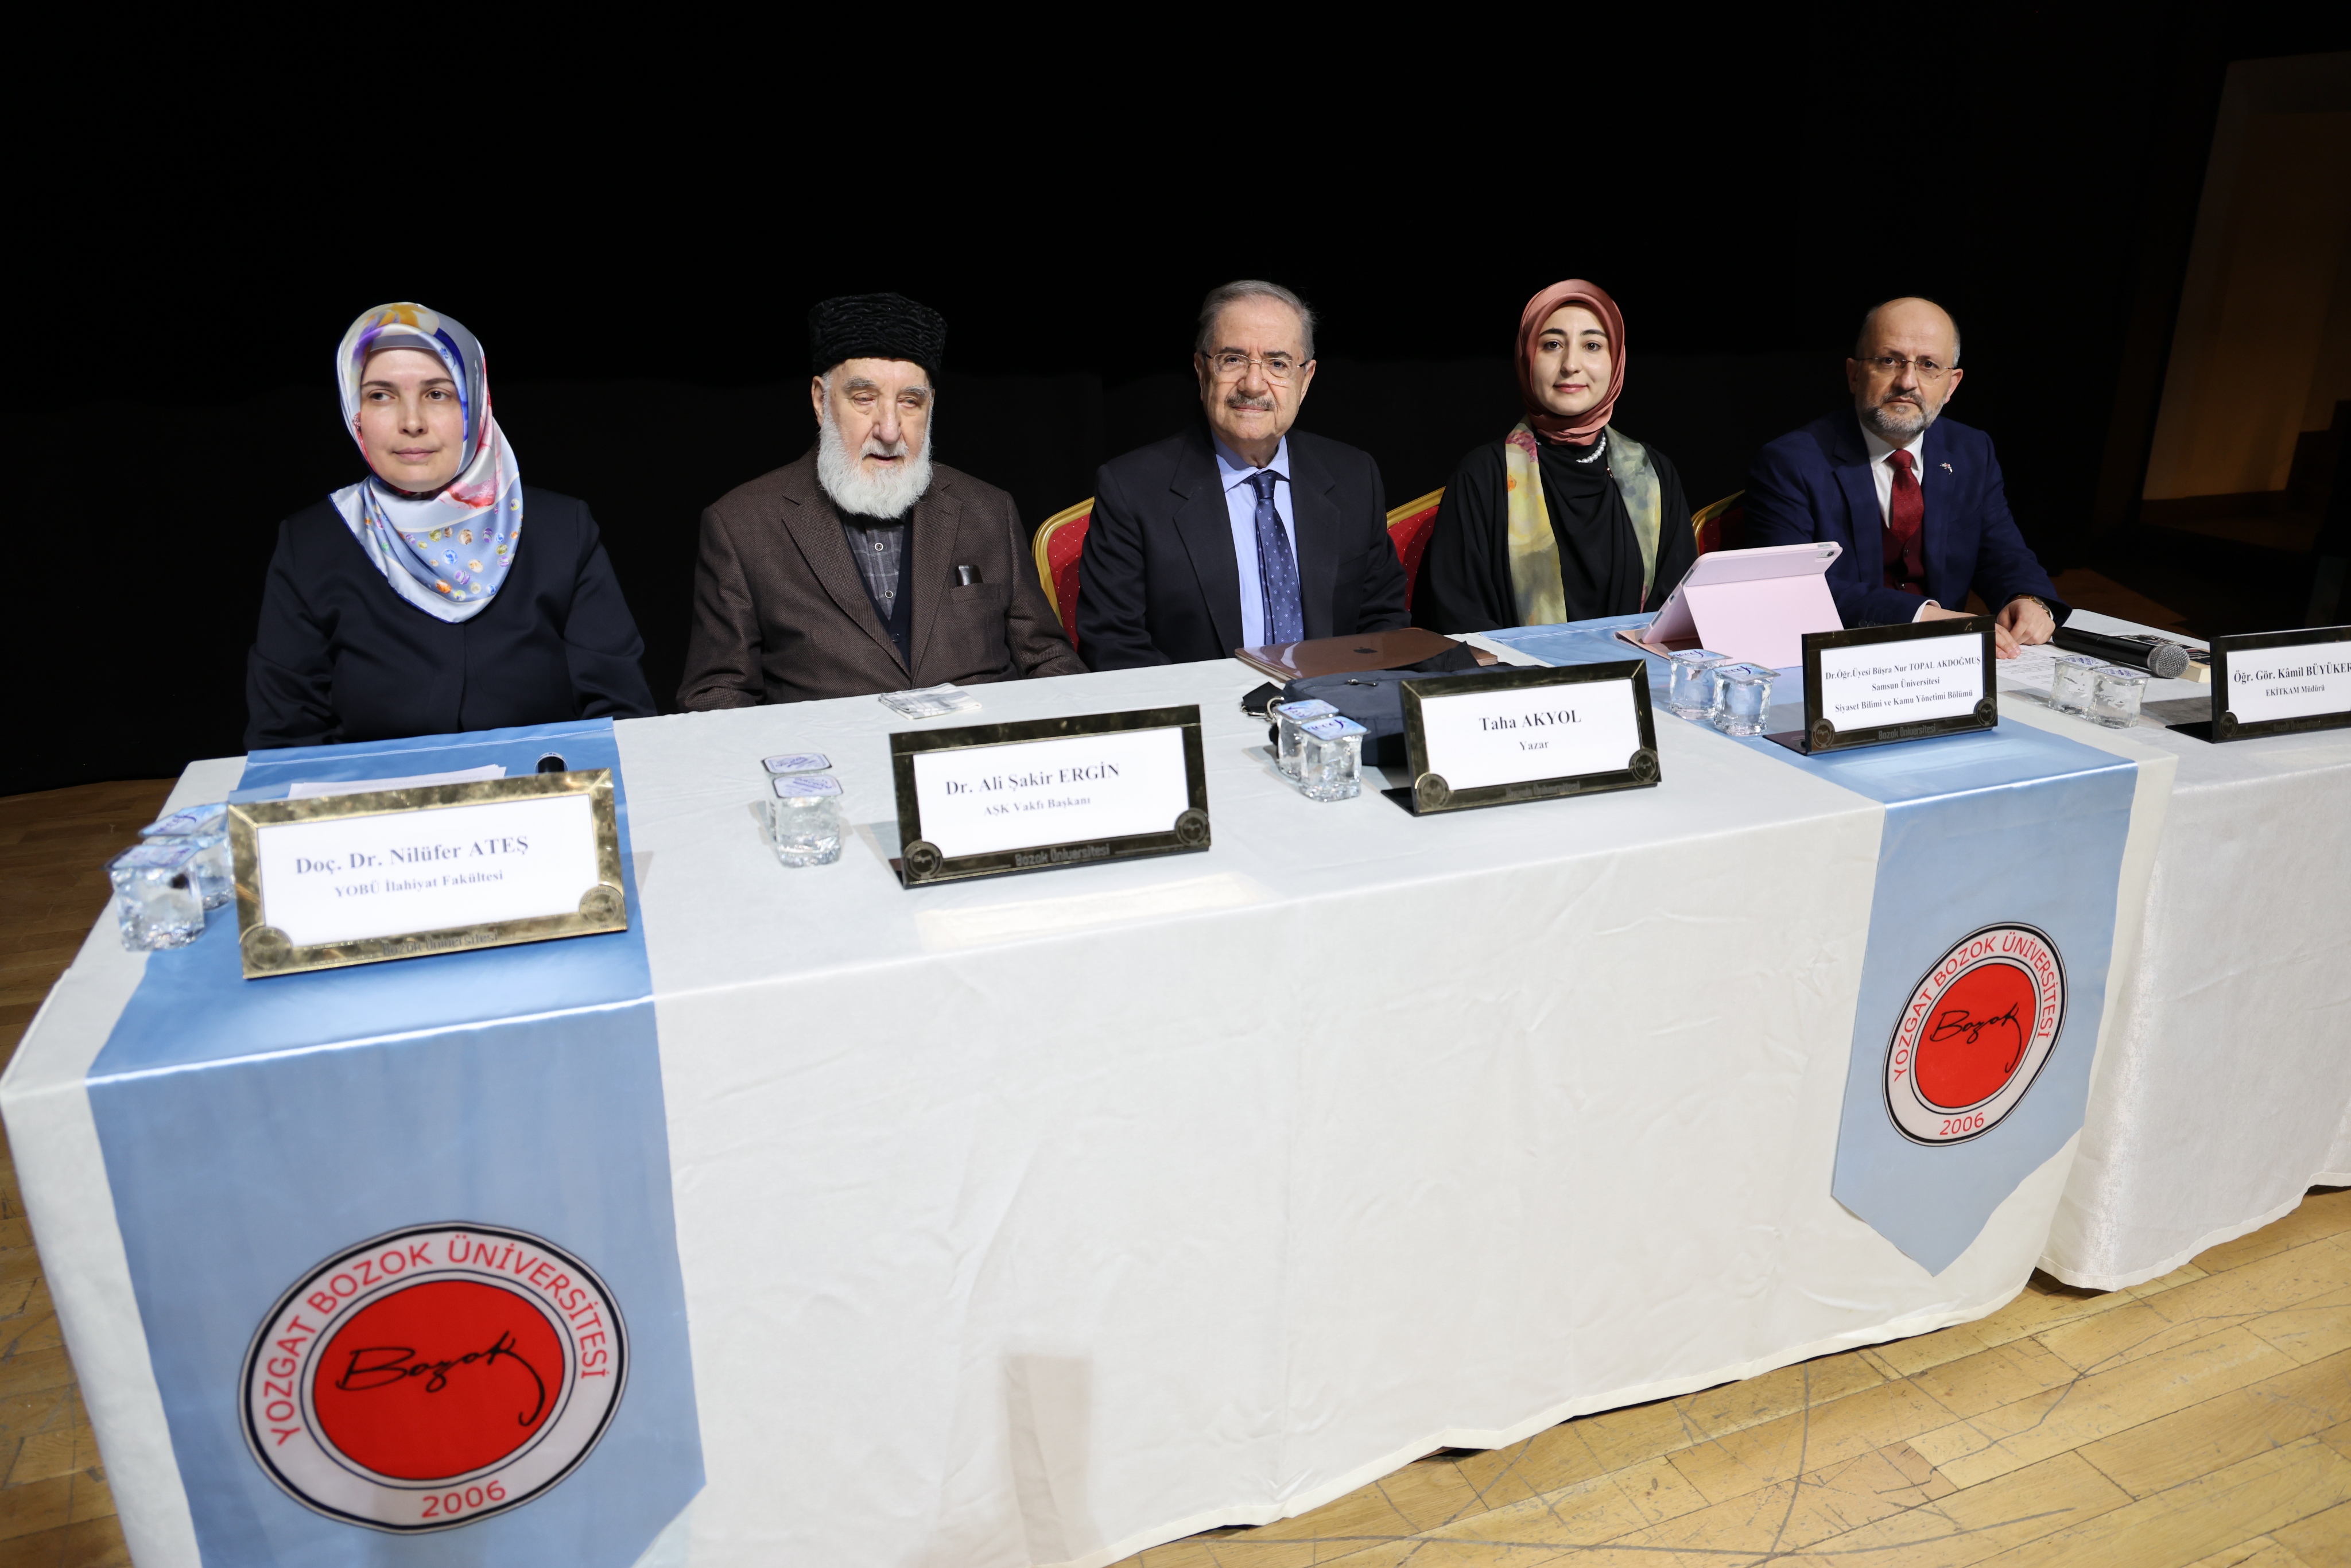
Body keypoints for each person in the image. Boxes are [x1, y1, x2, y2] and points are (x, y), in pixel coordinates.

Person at [246, 303, 655, 750]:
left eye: (437, 394)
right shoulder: (312, 544)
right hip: (375, 792)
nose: (412, 423)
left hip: (544, 787)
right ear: (355, 411)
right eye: (381, 395)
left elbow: (620, 717)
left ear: (475, 403)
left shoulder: (561, 531)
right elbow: (284, 740)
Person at [677, 293, 1083, 707]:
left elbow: (1048, 661)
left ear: (931, 405)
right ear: (821, 401)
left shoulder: (989, 510)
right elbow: (718, 696)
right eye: (864, 399)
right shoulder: (741, 525)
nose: (889, 431)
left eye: (910, 402)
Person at [1077, 280, 1409, 667]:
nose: (1253, 385)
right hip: (1203, 704)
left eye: (1277, 364)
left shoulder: (1354, 476)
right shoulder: (1132, 489)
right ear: (1202, 371)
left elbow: (1383, 623)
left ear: (1305, 380)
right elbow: (1114, 645)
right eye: (1233, 359)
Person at [1744, 297, 2065, 655]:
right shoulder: (1790, 462)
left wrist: (2028, 598)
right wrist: (1923, 618)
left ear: (1951, 385)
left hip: (1947, 661)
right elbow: (1791, 588)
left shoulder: (1972, 451)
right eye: (1889, 361)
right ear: (1854, 374)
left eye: (1929, 365)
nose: (1907, 382)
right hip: (1839, 657)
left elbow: (2003, 552)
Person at [1413, 280, 1697, 633]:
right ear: (1527, 359)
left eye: (1592, 345)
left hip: (1638, 667)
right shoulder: (1484, 478)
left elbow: (1675, 615)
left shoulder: (1653, 475)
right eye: (1552, 345)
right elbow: (1460, 620)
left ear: (1616, 360)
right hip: (1516, 668)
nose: (1571, 365)